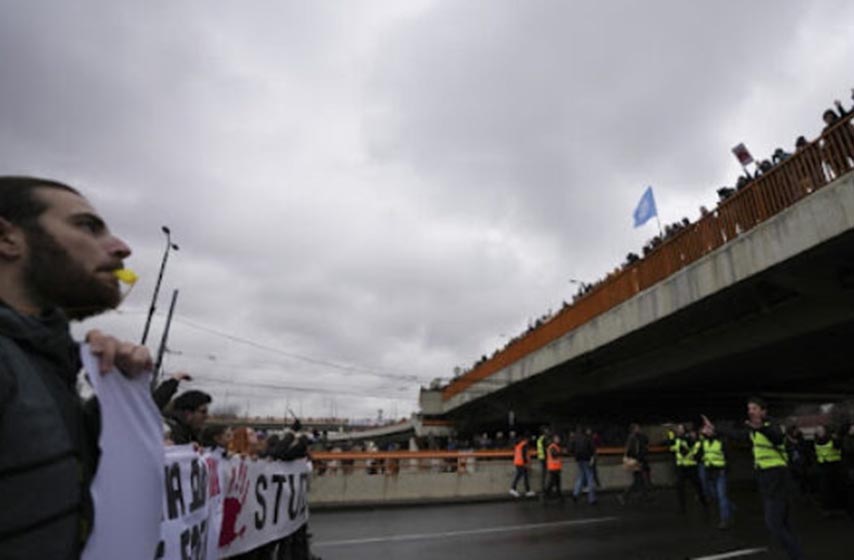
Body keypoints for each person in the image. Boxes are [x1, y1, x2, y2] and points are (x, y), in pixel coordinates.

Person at [0, 176, 152, 558]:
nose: (122, 248)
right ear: (7, 239)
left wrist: (117, 401)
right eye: (87, 226)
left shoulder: (50, 364)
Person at [706, 398, 803, 560]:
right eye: (749, 408)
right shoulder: (753, 430)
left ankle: (798, 556)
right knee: (783, 524)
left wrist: (760, 428)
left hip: (777, 477)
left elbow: (777, 437)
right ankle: (796, 555)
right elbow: (737, 434)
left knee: (774, 524)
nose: (751, 411)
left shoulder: (772, 425)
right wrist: (715, 429)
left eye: (755, 408)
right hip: (766, 477)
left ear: (764, 411)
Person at [668, 424, 707, 514]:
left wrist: (682, 440)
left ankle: (704, 502)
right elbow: (671, 446)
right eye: (678, 429)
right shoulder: (677, 440)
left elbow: (690, 447)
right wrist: (670, 433)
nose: (679, 430)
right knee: (680, 488)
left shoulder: (688, 439)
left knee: (698, 486)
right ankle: (682, 507)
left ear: (685, 430)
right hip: (681, 467)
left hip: (691, 466)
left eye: (681, 429)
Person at [700, 422, 733, 529]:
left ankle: (725, 520)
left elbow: (728, 456)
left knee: (721, 496)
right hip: (709, 471)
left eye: (707, 428)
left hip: (719, 471)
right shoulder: (704, 441)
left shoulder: (721, 441)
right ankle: (730, 507)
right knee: (714, 494)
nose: (705, 430)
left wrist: (726, 469)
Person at [814, 424, 844, 514]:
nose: (819, 432)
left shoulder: (832, 439)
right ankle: (828, 508)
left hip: (834, 466)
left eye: (821, 430)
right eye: (817, 430)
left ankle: (838, 507)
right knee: (825, 488)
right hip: (823, 466)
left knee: (836, 487)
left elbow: (839, 447)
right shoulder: (816, 440)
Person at [618, 423, 650, 506]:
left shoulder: (636, 437)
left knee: (640, 480)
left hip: (638, 460)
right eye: (637, 428)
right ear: (633, 429)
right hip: (636, 461)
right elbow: (632, 450)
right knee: (638, 480)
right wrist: (636, 458)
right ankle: (624, 495)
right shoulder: (633, 438)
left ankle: (643, 496)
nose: (639, 429)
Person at [570, 427, 597, 505]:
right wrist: (592, 457)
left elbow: (570, 449)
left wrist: (574, 454)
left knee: (581, 476)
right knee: (590, 477)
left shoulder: (574, 438)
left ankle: (575, 493)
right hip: (587, 459)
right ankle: (592, 498)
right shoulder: (587, 438)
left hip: (579, 459)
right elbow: (593, 449)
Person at [509, 433, 535, 498]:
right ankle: (513, 488)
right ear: (526, 439)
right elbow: (524, 455)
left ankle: (528, 490)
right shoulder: (524, 445)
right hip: (521, 463)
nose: (529, 441)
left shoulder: (519, 445)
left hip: (518, 462)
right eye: (528, 439)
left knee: (524, 476)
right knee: (519, 476)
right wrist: (526, 463)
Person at [542, 434, 565, 503]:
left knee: (556, 482)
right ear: (553, 440)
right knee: (552, 482)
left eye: (558, 439)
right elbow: (554, 455)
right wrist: (561, 452)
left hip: (555, 467)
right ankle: (546, 495)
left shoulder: (554, 446)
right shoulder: (552, 446)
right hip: (553, 467)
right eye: (557, 439)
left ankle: (558, 496)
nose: (558, 440)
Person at [536, 426, 550, 493]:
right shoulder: (544, 439)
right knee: (546, 474)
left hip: (541, 457)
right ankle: (544, 488)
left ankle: (543, 488)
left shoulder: (539, 439)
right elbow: (547, 448)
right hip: (545, 458)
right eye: (546, 430)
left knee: (544, 474)